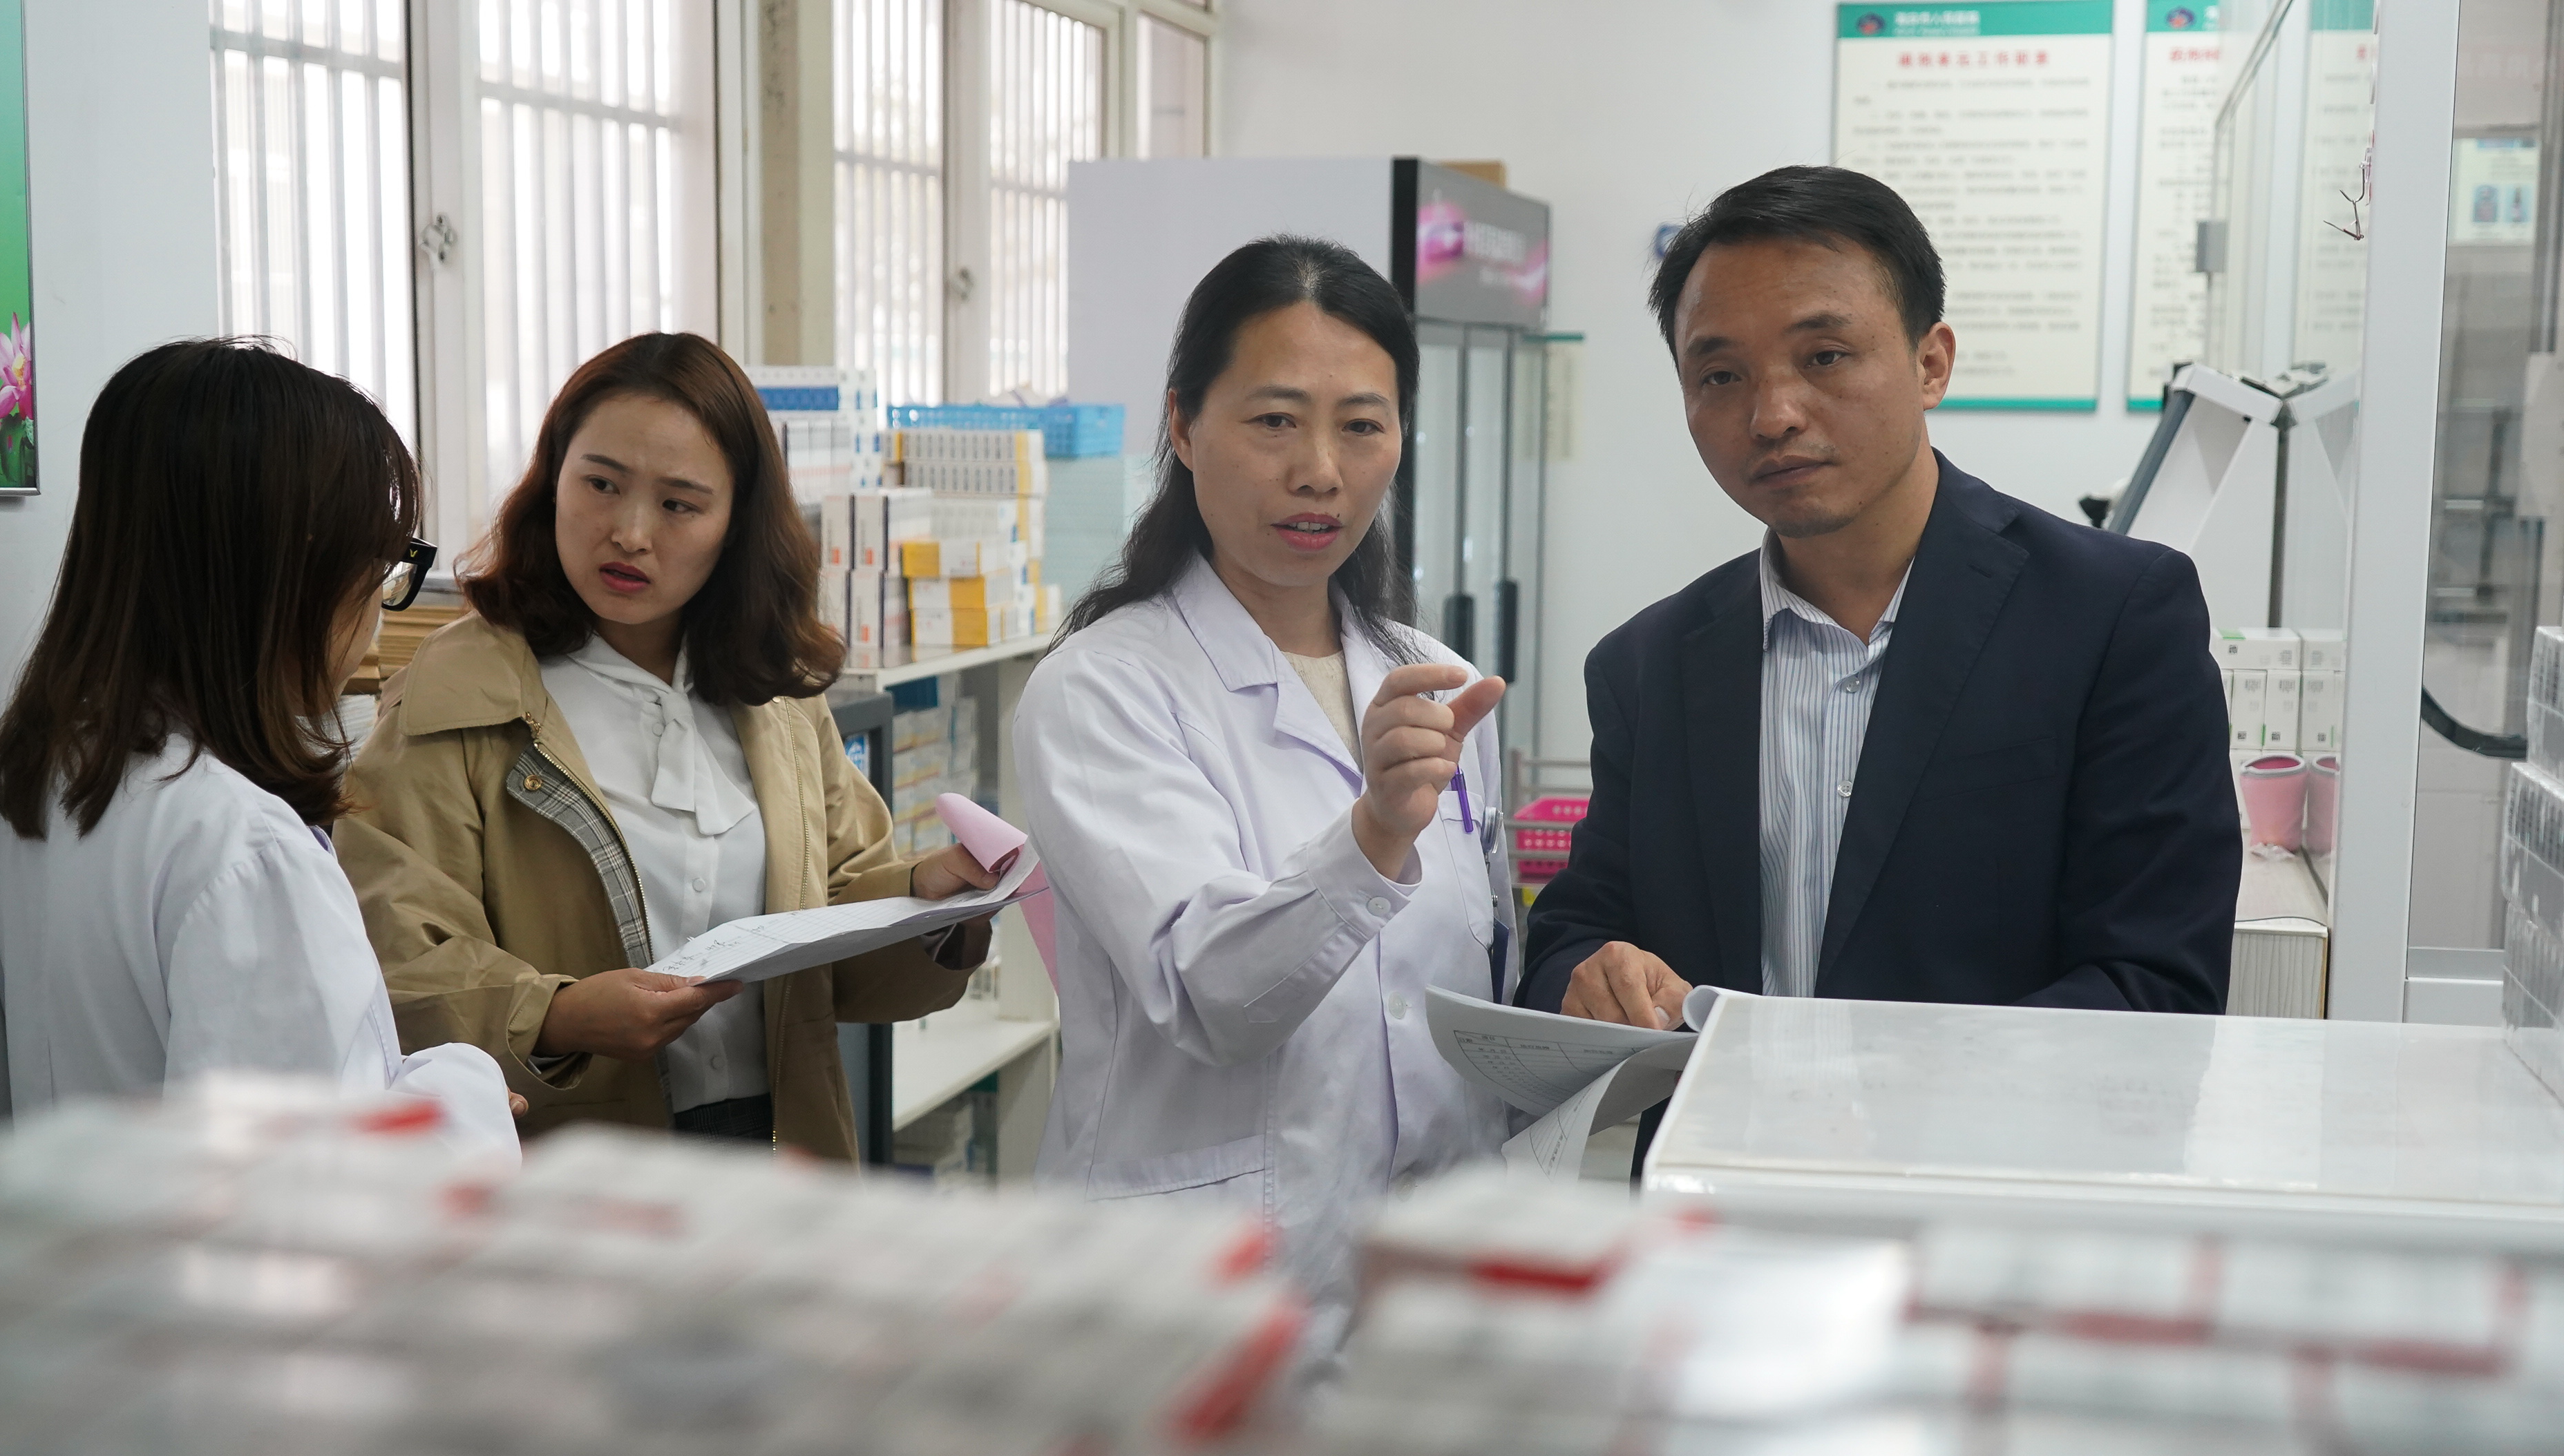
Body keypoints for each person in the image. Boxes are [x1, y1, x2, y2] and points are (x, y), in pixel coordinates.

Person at [1523, 166, 2240, 1129]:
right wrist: (1591, 977)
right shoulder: (1649, 666)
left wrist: (1872, 1098)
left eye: (1824, 356)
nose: (1773, 415)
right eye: (1721, 375)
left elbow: (2156, 986)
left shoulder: (2113, 618)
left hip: (1993, 1192)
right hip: (1718, 1197)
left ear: (1931, 362)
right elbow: (1573, 936)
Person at [339, 332, 991, 1155]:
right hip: (575, 1161)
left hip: (781, 1146)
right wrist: (557, 1014)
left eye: (679, 504)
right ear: (552, 481)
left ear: (736, 524)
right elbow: (396, 954)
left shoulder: (776, 693)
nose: (630, 532)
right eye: (601, 484)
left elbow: (836, 914)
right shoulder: (459, 692)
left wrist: (928, 901)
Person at [1014, 236, 1513, 1293]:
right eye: (1275, 420)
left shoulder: (1439, 684)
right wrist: (1375, 834)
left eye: (1362, 425)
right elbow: (1210, 994)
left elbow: (1468, 994)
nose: (1319, 471)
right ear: (1183, 426)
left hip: (1428, 1275)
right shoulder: (1102, 689)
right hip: (1198, 1287)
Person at [0, 338, 520, 1162]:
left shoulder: (60, 768)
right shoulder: (246, 849)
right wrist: (466, 1091)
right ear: (288, 576)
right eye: (377, 567)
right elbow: (301, 1196)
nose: (378, 608)